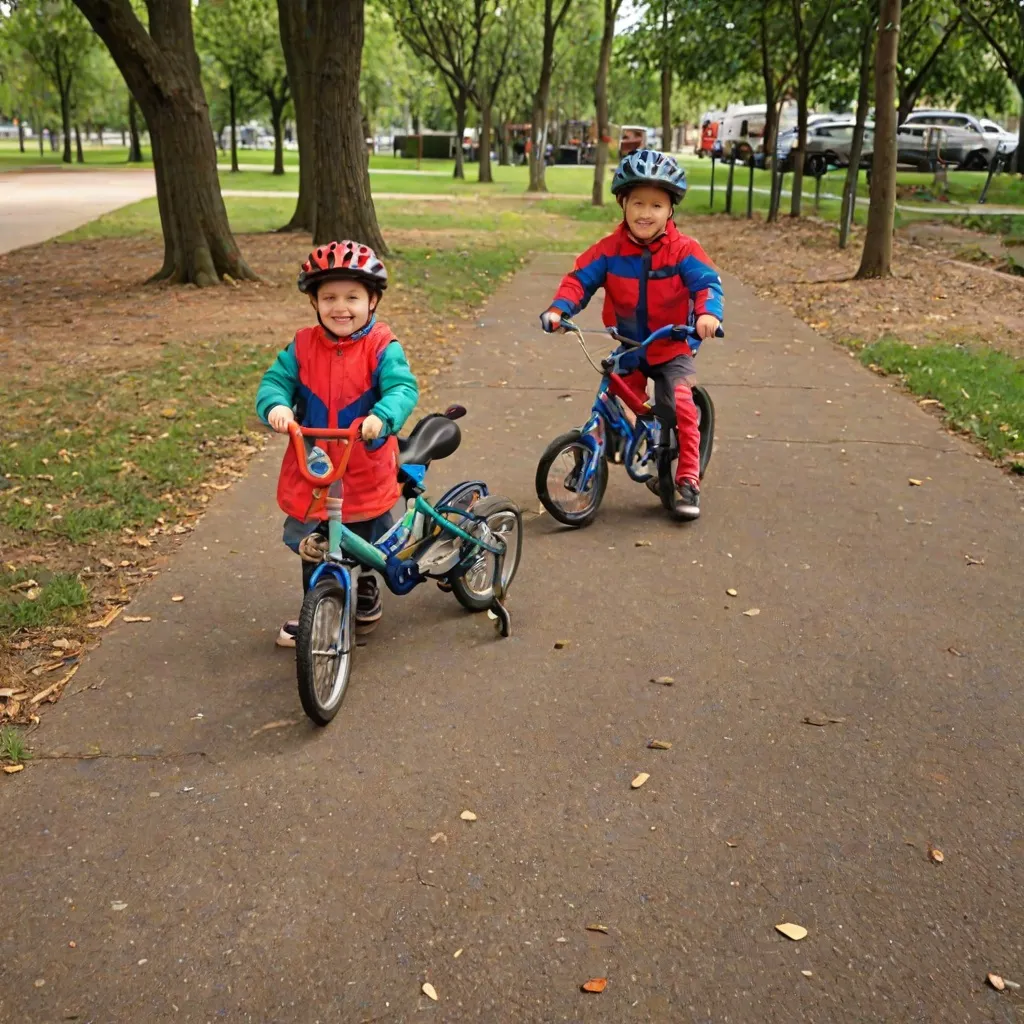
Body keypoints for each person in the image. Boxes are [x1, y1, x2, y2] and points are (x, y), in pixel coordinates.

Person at [539, 149, 723, 520]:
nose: (645, 212)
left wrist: (707, 314)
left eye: (656, 204)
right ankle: (609, 451)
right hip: (630, 345)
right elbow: (580, 280)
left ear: (670, 210)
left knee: (683, 407)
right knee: (613, 400)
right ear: (622, 204)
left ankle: (687, 477)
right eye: (637, 202)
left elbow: (707, 283)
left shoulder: (684, 250)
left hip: (672, 344)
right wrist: (560, 309)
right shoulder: (609, 251)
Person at [256, 240, 419, 647]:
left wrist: (382, 417)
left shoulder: (382, 345)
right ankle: (317, 608)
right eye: (328, 297)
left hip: (363, 464)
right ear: (314, 301)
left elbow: (401, 387)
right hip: (313, 466)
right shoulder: (303, 345)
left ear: (373, 300)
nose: (340, 307)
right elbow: (276, 381)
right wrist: (276, 406)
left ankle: (364, 586)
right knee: (312, 542)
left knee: (367, 538)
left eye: (352, 297)